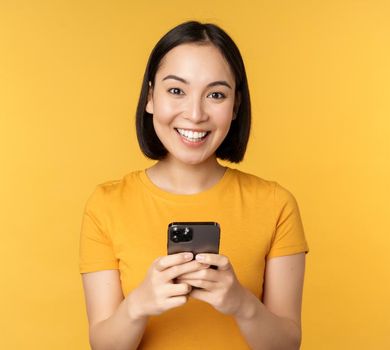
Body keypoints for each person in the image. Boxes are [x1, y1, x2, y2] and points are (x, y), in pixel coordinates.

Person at [79, 21, 309, 350]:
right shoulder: (106, 204)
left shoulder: (276, 204)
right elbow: (104, 346)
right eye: (176, 91)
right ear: (150, 98)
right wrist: (138, 305)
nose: (196, 113)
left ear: (235, 107)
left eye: (216, 94)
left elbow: (287, 345)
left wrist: (242, 304)